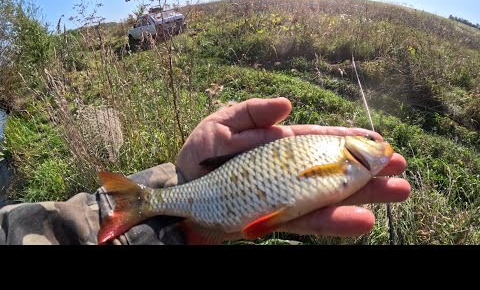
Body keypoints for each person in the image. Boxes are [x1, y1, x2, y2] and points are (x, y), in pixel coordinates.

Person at [0, 97, 410, 245]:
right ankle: (141, 204)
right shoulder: (341, 154)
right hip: (216, 198)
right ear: (354, 148)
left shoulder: (347, 165)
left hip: (229, 201)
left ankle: (140, 204)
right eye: (373, 143)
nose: (380, 148)